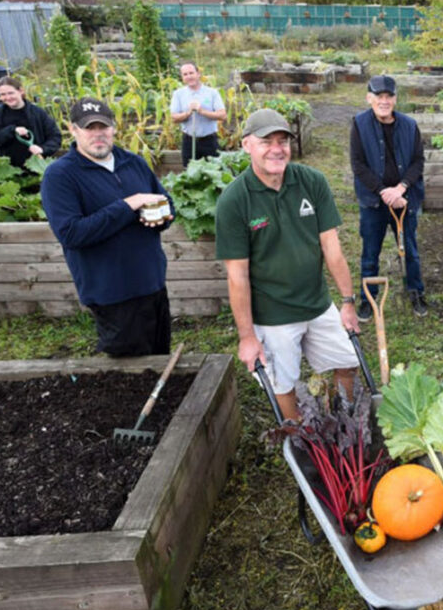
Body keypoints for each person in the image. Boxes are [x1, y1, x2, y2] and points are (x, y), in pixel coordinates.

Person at [215, 109, 360, 422]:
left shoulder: (311, 182)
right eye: (266, 141)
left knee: (347, 363)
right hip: (273, 314)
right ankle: (299, 436)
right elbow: (237, 276)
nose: (277, 148)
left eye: (282, 141)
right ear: (246, 145)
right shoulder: (234, 201)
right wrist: (247, 337)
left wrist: (347, 302)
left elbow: (332, 248)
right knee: (284, 382)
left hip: (318, 303)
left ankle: (342, 422)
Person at [41, 97, 174, 357]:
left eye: (103, 127)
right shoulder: (60, 176)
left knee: (160, 359)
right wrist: (128, 205)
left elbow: (165, 202)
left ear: (113, 128)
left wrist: (162, 216)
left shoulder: (133, 162)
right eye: (89, 128)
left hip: (153, 284)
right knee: (130, 371)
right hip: (112, 294)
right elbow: (71, 233)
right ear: (73, 129)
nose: (97, 134)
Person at [350, 75, 428, 318]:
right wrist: (384, 191)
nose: (384, 101)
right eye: (379, 97)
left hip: (404, 201)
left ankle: (416, 292)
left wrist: (401, 188)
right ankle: (368, 298)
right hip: (374, 201)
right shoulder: (359, 124)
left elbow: (417, 162)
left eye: (388, 97)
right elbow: (358, 165)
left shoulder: (409, 125)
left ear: (395, 99)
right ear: (369, 98)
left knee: (410, 250)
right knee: (370, 252)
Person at [0, 76, 62, 169]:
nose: (7, 97)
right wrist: (12, 130)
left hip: (37, 167)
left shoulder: (38, 113)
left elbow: (55, 136)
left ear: (20, 91)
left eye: (11, 93)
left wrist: (42, 149)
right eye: (3, 94)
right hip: (9, 169)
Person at [170, 62, 226, 166]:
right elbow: (174, 118)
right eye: (185, 74)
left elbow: (222, 115)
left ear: (198, 74)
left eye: (191, 73)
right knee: (190, 174)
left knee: (214, 173)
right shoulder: (178, 94)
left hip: (209, 141)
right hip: (189, 141)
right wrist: (188, 113)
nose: (189, 76)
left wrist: (202, 111)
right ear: (182, 77)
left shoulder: (212, 93)